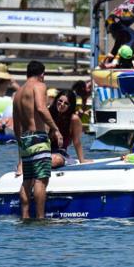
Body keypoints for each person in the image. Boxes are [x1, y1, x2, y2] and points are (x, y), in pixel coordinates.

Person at [12, 60, 62, 220]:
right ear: (42, 74)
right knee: (41, 180)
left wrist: (20, 145)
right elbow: (41, 108)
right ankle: (40, 218)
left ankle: (25, 216)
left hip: (25, 139)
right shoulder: (39, 86)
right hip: (38, 138)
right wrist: (55, 129)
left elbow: (16, 124)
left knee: (27, 181)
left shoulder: (18, 93)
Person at [50, 90, 90, 168]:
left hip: (59, 153)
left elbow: (77, 141)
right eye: (60, 101)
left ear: (70, 106)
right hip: (42, 150)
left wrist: (82, 160)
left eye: (66, 103)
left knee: (55, 160)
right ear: (56, 100)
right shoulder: (48, 114)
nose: (62, 104)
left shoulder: (74, 119)